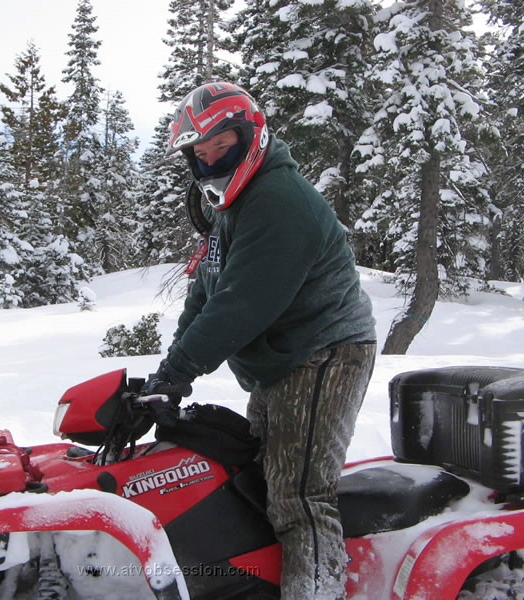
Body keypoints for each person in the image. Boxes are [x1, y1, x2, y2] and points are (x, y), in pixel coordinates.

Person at [144, 82, 377, 599]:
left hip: (325, 350)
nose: (210, 163)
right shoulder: (231, 206)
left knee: (299, 494)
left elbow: (242, 305)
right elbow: (206, 293)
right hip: (284, 358)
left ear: (250, 135)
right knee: (260, 480)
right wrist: (168, 373)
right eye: (200, 156)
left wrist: (181, 371)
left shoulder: (278, 201)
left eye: (220, 147)